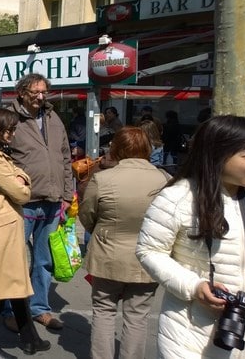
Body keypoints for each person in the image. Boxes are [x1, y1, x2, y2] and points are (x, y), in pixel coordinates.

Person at [136, 115, 245, 358]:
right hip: (188, 332)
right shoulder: (178, 198)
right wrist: (195, 287)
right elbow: (148, 251)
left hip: (240, 331)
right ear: (218, 154)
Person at [79, 127, 170, 359]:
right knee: (138, 316)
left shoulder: (102, 178)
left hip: (108, 253)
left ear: (116, 148)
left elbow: (87, 215)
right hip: (148, 258)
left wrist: (101, 231)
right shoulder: (164, 180)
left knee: (103, 311)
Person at [0, 108, 51, 358]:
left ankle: (30, 338)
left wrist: (20, 176)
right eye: (10, 130)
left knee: (15, 286)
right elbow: (21, 193)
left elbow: (19, 179)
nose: (13, 134)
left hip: (3, 226)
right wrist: (22, 178)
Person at [3, 73, 72, 331]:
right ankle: (11, 310)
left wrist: (67, 194)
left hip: (53, 200)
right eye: (35, 93)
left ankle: (39, 309)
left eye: (44, 92)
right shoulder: (10, 118)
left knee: (45, 260)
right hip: (23, 201)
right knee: (15, 258)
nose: (41, 97)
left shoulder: (54, 118)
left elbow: (65, 158)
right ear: (21, 93)